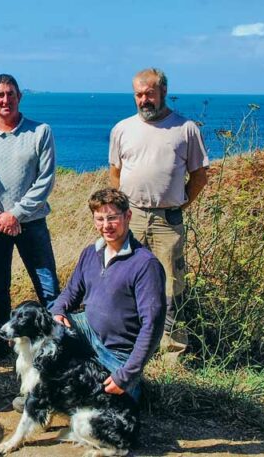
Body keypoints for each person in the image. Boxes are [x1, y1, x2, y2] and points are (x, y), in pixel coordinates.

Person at [109, 67, 209, 356]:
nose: (144, 100)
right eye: (138, 95)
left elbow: (199, 177)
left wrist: (178, 205)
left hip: (168, 221)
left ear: (162, 92)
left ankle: (172, 354)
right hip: (131, 219)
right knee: (127, 282)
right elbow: (115, 172)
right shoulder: (122, 129)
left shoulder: (186, 129)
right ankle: (130, 348)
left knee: (171, 288)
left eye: (149, 93)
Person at [0, 74, 60, 364]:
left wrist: (15, 215)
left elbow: (45, 181)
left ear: (19, 97)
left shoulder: (40, 132)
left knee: (48, 287)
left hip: (31, 223)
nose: (5, 100)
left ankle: (56, 345)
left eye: (10, 94)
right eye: (0, 95)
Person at [50, 188, 166, 400]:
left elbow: (153, 325)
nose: (106, 226)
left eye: (112, 218)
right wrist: (58, 311)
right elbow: (71, 293)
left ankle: (131, 383)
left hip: (118, 353)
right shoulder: (90, 253)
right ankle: (44, 395)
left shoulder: (145, 264)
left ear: (127, 216)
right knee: (43, 324)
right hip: (87, 332)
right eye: (100, 219)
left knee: (110, 403)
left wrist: (127, 375)